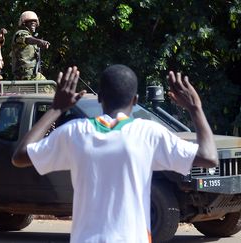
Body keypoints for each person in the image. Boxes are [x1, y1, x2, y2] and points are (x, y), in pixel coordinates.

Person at [12, 65, 218, 242]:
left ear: (100, 97)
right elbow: (209, 158)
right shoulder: (148, 133)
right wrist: (195, 108)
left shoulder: (75, 132)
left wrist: (56, 108)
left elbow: (20, 157)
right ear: (135, 100)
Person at [11, 11, 50, 80]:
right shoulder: (20, 33)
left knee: (50, 89)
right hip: (24, 76)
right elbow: (27, 39)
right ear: (24, 23)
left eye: (35, 22)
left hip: (33, 75)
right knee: (50, 88)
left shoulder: (32, 37)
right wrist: (39, 42)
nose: (33, 23)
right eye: (30, 21)